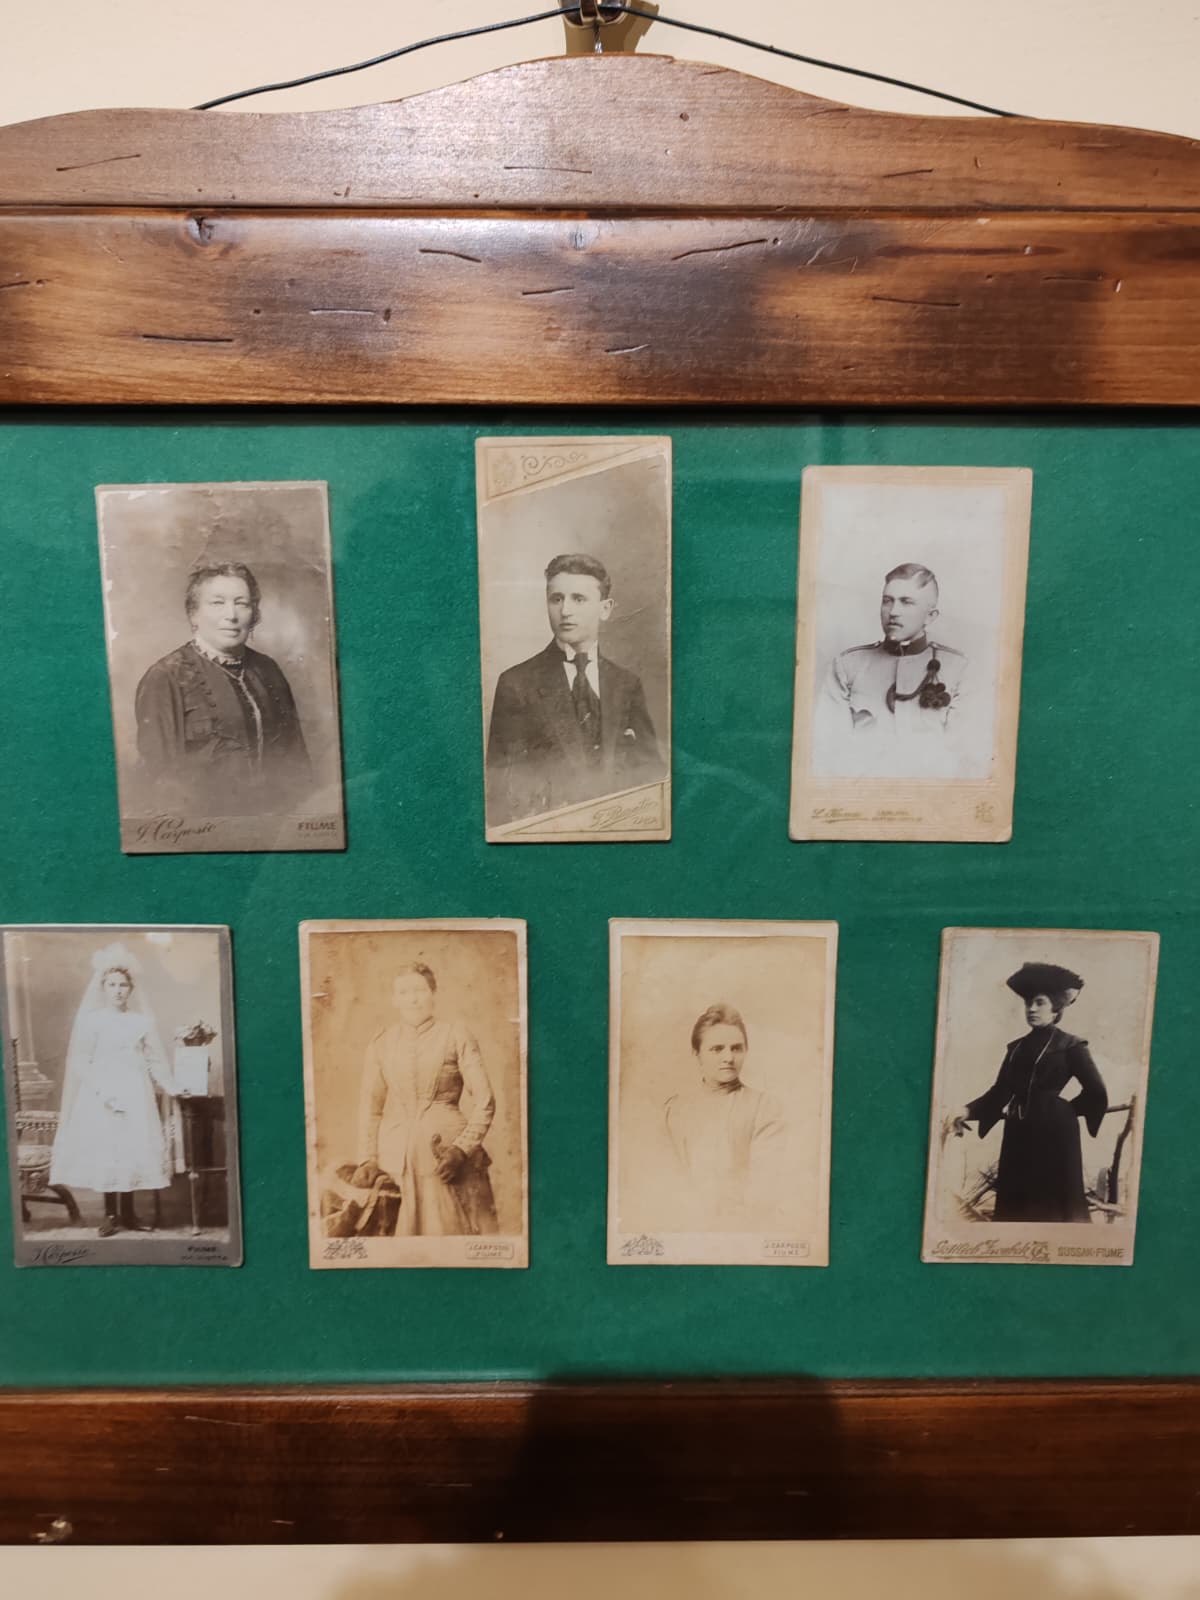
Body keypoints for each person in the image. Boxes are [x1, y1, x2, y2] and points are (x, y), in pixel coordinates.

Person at [486, 552, 661, 824]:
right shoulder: (517, 684)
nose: (565, 611)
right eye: (556, 599)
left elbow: (652, 775)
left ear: (605, 609)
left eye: (579, 599)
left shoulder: (626, 684)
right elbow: (499, 789)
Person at [134, 562, 310, 815]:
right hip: (202, 824)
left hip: (275, 818)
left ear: (254, 614)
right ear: (193, 614)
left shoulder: (268, 669)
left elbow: (297, 762)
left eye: (242, 603)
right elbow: (159, 778)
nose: (232, 615)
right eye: (217, 603)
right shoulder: (166, 676)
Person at [947, 962, 1108, 1223]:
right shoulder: (1016, 1049)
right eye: (1028, 1003)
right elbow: (999, 1092)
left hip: (1055, 1134)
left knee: (1054, 1207)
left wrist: (1062, 1111)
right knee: (1016, 1205)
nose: (1031, 1009)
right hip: (1018, 1131)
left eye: (1040, 1003)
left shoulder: (1071, 1045)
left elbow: (1096, 1091)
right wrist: (966, 1110)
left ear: (1056, 1008)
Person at [350, 963, 499, 1237]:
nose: (413, 999)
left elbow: (485, 1101)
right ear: (394, 1000)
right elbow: (370, 1109)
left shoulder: (456, 1035)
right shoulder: (382, 1043)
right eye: (404, 992)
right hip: (396, 1161)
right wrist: (367, 1159)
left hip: (449, 1159)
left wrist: (461, 1150)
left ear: (433, 993)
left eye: (420, 990)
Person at [49, 949, 181, 1237]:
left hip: (135, 1090)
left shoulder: (141, 1021)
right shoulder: (92, 1020)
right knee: (108, 1147)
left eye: (123, 985)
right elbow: (81, 1060)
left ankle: (129, 1214)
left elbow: (153, 1060)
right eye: (112, 985)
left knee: (131, 1146)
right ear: (103, 987)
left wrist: (171, 1086)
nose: (118, 990)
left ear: (131, 989)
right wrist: (103, 1091)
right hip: (102, 1091)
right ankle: (110, 1215)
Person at [815, 562, 968, 775]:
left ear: (930, 616)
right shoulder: (847, 666)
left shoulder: (959, 669)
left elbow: (962, 756)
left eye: (906, 602)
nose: (893, 612)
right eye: (887, 601)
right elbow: (830, 750)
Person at [662, 1003, 789, 1232]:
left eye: (737, 1048)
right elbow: (666, 1183)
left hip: (742, 1230)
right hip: (683, 1227)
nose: (728, 1057)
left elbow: (765, 1190)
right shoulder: (675, 1110)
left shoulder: (764, 1108)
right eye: (717, 1049)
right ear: (697, 1054)